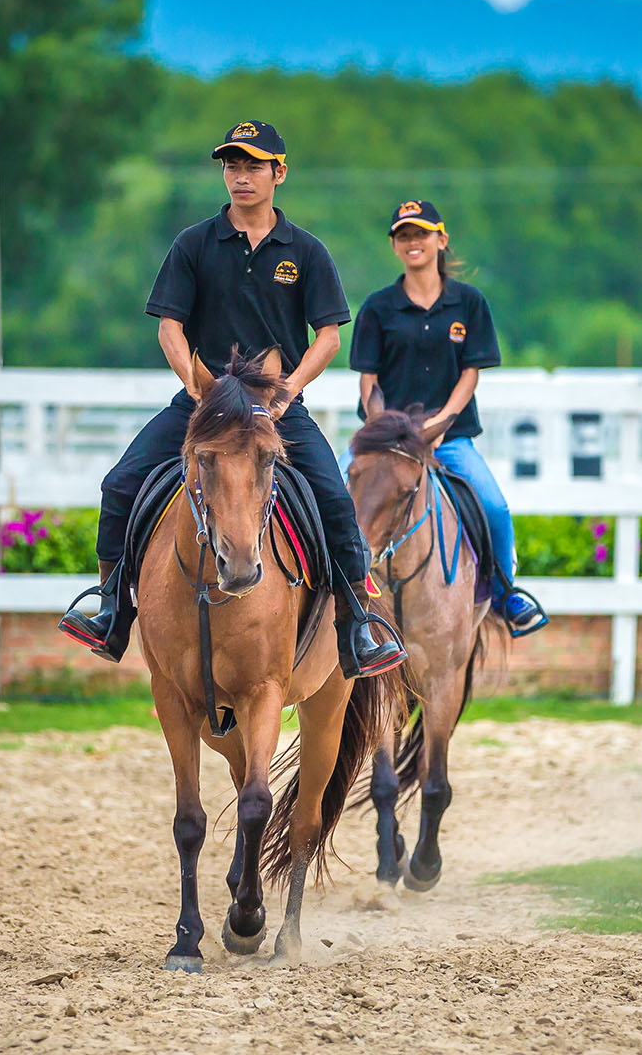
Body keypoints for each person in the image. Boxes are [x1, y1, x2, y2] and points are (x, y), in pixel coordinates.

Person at [58, 120, 407, 679]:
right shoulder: (193, 244)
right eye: (231, 165)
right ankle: (111, 607)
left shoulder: (307, 251)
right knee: (120, 483)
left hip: (276, 408)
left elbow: (330, 338)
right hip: (206, 405)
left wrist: (290, 391)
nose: (240, 177)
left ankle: (355, 626)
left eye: (253, 166)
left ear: (279, 173)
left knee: (337, 506)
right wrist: (199, 389)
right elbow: (169, 329)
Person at [346, 199, 547, 636]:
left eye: (421, 233)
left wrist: (440, 425)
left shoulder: (469, 304)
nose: (413, 242)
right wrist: (377, 427)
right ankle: (332, 595)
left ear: (441, 239)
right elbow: (368, 379)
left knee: (493, 506)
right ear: (395, 246)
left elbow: (470, 374)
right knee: (336, 498)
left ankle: (505, 594)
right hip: (388, 442)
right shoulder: (378, 308)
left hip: (449, 438)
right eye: (403, 235)